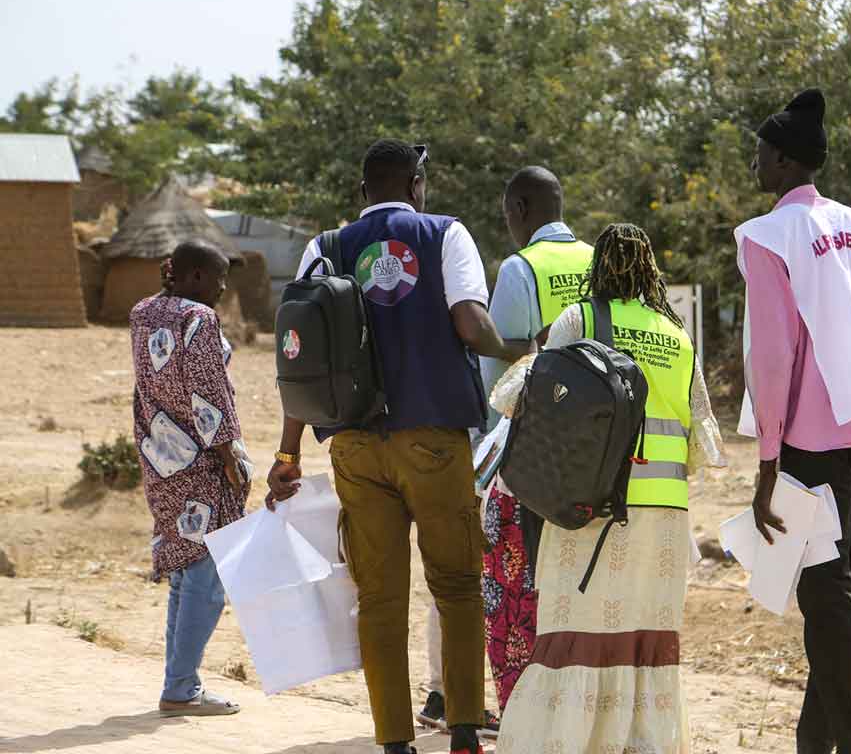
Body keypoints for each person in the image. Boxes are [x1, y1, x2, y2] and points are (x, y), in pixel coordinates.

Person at [266, 139, 533, 754]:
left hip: (356, 448)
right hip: (434, 439)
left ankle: (394, 742)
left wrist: (287, 456)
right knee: (458, 586)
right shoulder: (447, 234)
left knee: (381, 598)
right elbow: (470, 322)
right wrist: (520, 349)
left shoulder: (325, 247)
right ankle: (465, 732)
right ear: (417, 185)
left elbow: (299, 360)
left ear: (363, 192)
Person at [495, 223, 725, 754]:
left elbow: (515, 395)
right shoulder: (677, 335)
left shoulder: (583, 318)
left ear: (598, 267)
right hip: (664, 518)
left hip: (592, 509)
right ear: (650, 272)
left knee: (575, 640)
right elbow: (703, 446)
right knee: (644, 644)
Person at [737, 88, 851, 754]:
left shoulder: (766, 235)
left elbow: (774, 357)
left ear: (780, 161)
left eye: (759, 152)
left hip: (809, 438)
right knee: (838, 595)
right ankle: (816, 743)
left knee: (825, 601)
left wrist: (767, 463)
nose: (755, 162)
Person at [419, 165, 593, 732]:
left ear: (519, 209)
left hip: (526, 454)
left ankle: (451, 694)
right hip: (591, 450)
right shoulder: (596, 261)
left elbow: (498, 376)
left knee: (489, 576)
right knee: (567, 582)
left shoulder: (521, 268)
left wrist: (484, 462)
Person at [129, 239, 251, 718]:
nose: (223, 288)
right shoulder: (198, 318)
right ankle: (181, 689)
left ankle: (179, 683)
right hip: (200, 462)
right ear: (197, 276)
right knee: (206, 574)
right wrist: (228, 454)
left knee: (185, 567)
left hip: (159, 455)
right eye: (219, 278)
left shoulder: (143, 313)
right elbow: (206, 389)